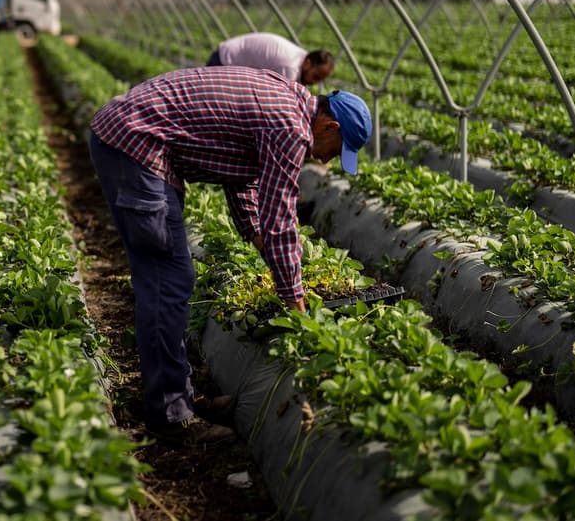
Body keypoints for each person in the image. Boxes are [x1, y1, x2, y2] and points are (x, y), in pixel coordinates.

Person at [88, 66, 371, 446]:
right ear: (329, 128)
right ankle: (169, 414)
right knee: (167, 279)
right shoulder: (290, 128)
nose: (326, 161)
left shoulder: (287, 101)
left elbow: (241, 176)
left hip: (135, 141)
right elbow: (280, 218)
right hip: (136, 146)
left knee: (170, 277)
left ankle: (178, 395)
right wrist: (294, 299)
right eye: (335, 153)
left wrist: (257, 237)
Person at [207, 32, 335, 86]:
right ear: (308, 63)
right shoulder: (290, 67)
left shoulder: (301, 57)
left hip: (229, 55)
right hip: (224, 61)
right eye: (316, 76)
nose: (315, 82)